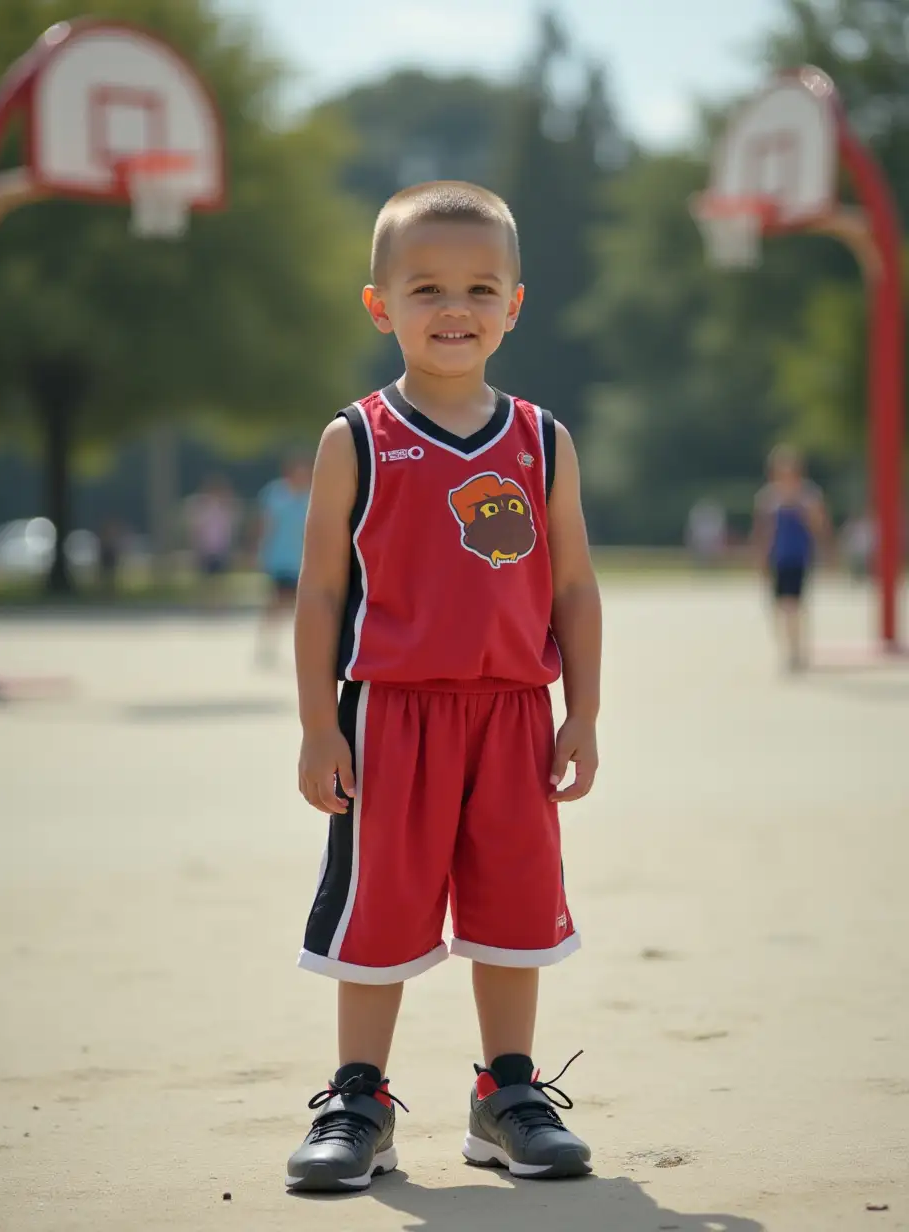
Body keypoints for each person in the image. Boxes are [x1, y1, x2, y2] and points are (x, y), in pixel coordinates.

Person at [286, 181, 602, 1193]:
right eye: (426, 287)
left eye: (478, 287)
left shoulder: (541, 440)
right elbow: (322, 591)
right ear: (380, 304)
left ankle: (506, 1095)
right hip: (391, 714)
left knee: (514, 911)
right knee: (377, 913)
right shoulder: (358, 438)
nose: (453, 307)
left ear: (514, 304)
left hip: (513, 712)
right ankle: (358, 1099)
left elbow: (576, 584)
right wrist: (312, 727)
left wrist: (582, 712)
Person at [752, 444, 832, 671]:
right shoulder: (769, 498)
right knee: (780, 606)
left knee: (793, 605)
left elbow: (819, 526)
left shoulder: (808, 496)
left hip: (798, 558)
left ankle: (796, 651)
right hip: (778, 557)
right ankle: (788, 649)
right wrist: (761, 559)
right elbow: (763, 532)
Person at [255, 457, 311, 664]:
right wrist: (260, 550)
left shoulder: (311, 496)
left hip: (303, 561)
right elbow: (265, 524)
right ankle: (267, 645)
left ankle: (306, 647)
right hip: (279, 559)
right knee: (276, 604)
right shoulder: (275, 494)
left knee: (305, 607)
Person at [188, 474, 238, 607]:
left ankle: (220, 603)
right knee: (206, 578)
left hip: (221, 548)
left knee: (221, 578)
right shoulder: (202, 508)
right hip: (206, 548)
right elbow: (196, 529)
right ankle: (206, 603)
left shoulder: (226, 508)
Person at [685, 497, 727, 568]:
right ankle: (702, 565)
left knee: (711, 552)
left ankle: (711, 566)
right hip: (702, 537)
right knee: (702, 552)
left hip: (709, 537)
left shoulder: (714, 515)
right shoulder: (697, 514)